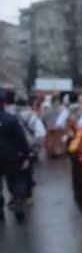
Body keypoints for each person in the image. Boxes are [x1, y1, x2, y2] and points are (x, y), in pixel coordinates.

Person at [0, 91, 31, 222]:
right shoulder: (11, 119)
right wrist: (26, 154)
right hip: (11, 156)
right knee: (17, 180)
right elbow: (21, 138)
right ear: (4, 104)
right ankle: (17, 201)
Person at [15, 97, 46, 202]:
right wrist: (36, 148)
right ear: (26, 104)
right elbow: (41, 134)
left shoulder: (10, 115)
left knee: (15, 173)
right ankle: (28, 196)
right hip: (28, 149)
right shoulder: (32, 116)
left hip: (13, 150)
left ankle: (16, 196)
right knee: (27, 172)